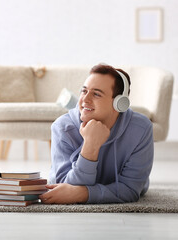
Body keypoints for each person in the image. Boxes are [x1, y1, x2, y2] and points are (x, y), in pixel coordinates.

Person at [39, 63, 154, 204]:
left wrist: (83, 194)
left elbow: (130, 190)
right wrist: (90, 145)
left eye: (96, 94)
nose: (84, 100)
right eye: (84, 91)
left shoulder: (140, 129)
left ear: (119, 104)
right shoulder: (62, 127)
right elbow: (63, 188)